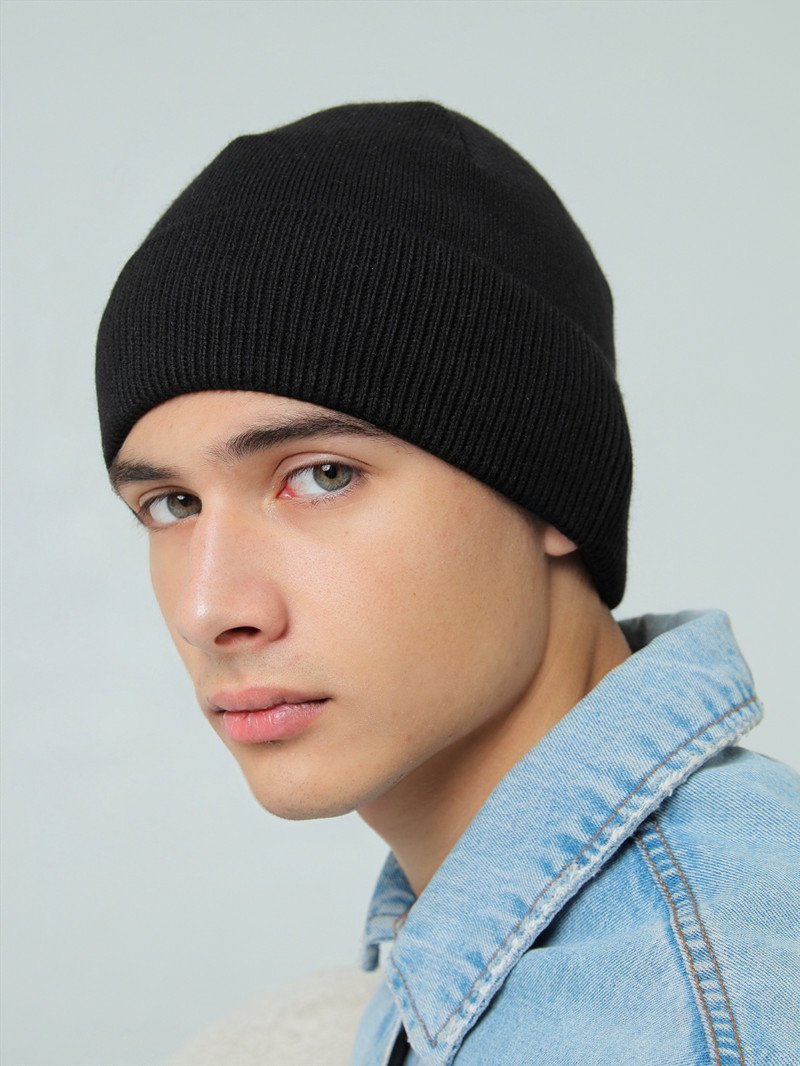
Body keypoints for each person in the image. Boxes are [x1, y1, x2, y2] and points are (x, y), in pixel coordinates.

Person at [96, 102, 799, 1066]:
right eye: (173, 504)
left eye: (322, 475)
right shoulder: (549, 943)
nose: (209, 609)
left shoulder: (665, 1018)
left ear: (550, 481)